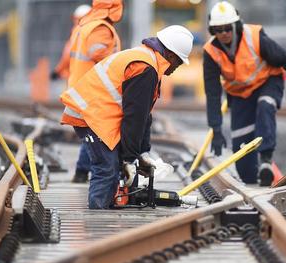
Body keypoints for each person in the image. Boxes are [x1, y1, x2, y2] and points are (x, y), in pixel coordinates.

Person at [60, 25, 193, 209]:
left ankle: (105, 207)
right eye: (178, 62)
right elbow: (134, 118)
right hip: (91, 115)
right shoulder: (145, 68)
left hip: (98, 114)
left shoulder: (148, 61)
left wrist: (141, 152)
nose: (177, 68)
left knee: (112, 167)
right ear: (171, 55)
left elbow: (144, 115)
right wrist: (129, 159)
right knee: (106, 169)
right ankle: (98, 217)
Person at [203, 1, 286, 186]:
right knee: (245, 169)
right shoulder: (210, 52)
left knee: (265, 105)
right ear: (212, 30)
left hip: (268, 83)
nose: (223, 33)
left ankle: (266, 159)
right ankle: (256, 175)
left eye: (226, 28)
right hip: (240, 95)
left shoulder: (255, 37)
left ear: (235, 25)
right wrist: (215, 129)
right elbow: (213, 93)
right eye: (217, 29)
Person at [63, 0, 123, 184]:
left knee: (92, 133)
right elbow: (99, 55)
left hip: (82, 87)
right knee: (97, 133)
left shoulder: (86, 25)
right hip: (92, 91)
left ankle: (82, 172)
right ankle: (86, 175)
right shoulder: (100, 28)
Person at [50, 4, 92, 82]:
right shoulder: (95, 31)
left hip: (77, 79)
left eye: (77, 19)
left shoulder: (77, 33)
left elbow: (67, 55)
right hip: (89, 79)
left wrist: (57, 71)